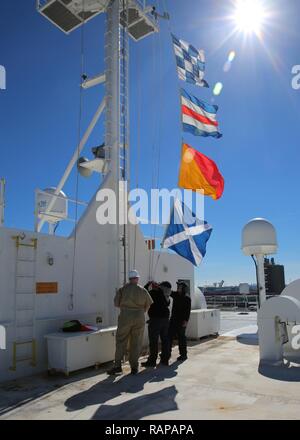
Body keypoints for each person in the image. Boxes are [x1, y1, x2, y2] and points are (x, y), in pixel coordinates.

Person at [107, 270, 153, 375]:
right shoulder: (143, 290)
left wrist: (126, 308)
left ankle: (117, 366)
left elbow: (116, 303)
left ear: (129, 278)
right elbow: (149, 304)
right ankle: (134, 368)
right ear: (137, 278)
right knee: (136, 342)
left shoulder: (122, 289)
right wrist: (141, 311)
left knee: (121, 341)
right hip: (139, 317)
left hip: (125, 317)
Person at [141, 281, 172, 368]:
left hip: (155, 320)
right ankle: (165, 359)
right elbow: (166, 304)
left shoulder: (153, 293)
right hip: (165, 319)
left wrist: (148, 284)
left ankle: (152, 361)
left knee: (153, 341)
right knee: (165, 340)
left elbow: (144, 291)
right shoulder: (166, 296)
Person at [168, 281, 191, 362]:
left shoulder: (187, 298)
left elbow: (188, 311)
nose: (178, 288)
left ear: (184, 288)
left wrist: (185, 321)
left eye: (179, 287)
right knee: (169, 337)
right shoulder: (175, 295)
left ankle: (183, 355)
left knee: (181, 338)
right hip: (173, 320)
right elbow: (168, 292)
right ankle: (167, 354)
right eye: (177, 286)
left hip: (181, 322)